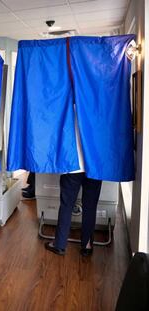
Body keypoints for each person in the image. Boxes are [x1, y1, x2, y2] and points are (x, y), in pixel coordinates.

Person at [45, 106, 102, 257]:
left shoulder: (68, 106)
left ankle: (59, 244)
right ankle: (87, 245)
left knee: (66, 205)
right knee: (90, 206)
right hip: (94, 165)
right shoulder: (97, 105)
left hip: (72, 166)